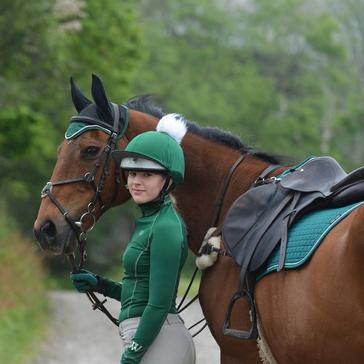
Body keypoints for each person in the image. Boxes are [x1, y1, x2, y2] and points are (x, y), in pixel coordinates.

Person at [70, 114, 196, 364]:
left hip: (163, 343)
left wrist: (133, 353)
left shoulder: (166, 227)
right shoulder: (150, 222)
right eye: (132, 173)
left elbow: (159, 304)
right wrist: (100, 285)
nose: (136, 181)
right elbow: (141, 293)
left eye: (147, 175)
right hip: (151, 340)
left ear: (168, 179)